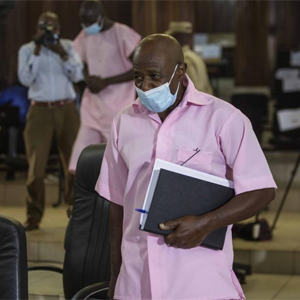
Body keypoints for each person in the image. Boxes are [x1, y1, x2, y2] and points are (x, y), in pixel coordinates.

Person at [96, 34, 277, 300]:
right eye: (137, 77)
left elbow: (262, 190)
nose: (145, 86)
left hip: (198, 277)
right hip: (137, 275)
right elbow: (116, 202)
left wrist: (206, 224)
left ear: (180, 72)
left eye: (154, 77)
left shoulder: (223, 119)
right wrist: (115, 274)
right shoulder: (124, 122)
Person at [18, 11, 82, 231]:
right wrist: (37, 49)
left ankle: (76, 214)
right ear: (37, 27)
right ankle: (33, 217)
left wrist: (62, 53)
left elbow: (78, 76)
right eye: (45, 26)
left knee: (74, 165)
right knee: (36, 169)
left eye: (53, 27)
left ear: (59, 28)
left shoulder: (68, 46)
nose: (49, 31)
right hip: (40, 112)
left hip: (67, 109)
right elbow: (25, 79)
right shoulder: (27, 50)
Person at [68, 0, 141, 172]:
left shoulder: (122, 33)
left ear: (101, 16)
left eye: (90, 22)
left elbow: (139, 68)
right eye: (84, 22)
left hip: (117, 105)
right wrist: (88, 78)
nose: (87, 26)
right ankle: (79, 193)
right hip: (92, 103)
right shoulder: (85, 34)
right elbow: (82, 61)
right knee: (79, 158)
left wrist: (106, 81)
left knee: (113, 160)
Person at [165, 21, 213, 94]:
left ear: (178, 37)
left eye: (172, 37)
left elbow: (191, 89)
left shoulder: (183, 60)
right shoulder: (195, 56)